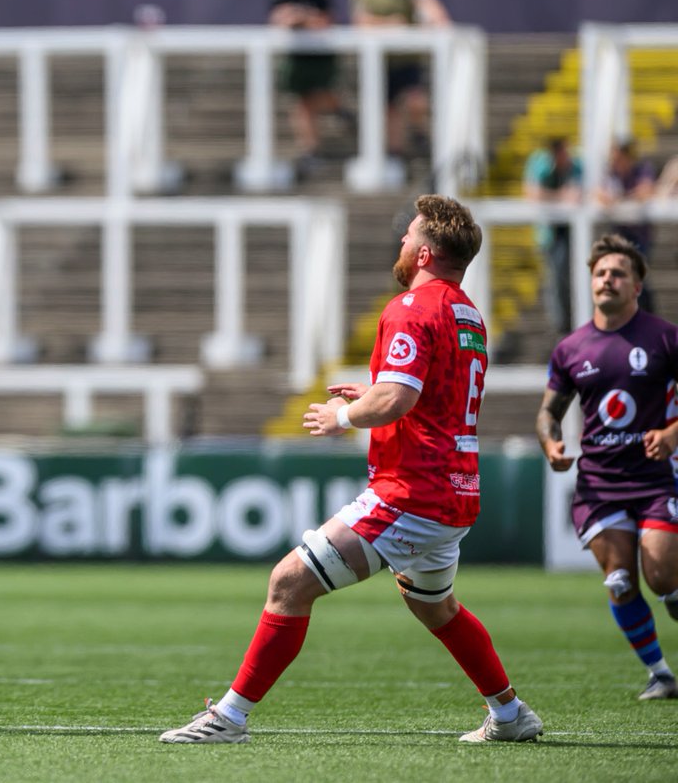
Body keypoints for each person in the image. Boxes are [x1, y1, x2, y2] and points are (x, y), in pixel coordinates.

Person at [161, 194, 543, 745]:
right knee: (435, 607)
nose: (402, 241)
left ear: (426, 252)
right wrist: (378, 395)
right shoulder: (467, 314)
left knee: (289, 582)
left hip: (412, 491)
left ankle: (229, 718)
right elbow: (430, 395)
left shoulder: (412, 308)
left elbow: (397, 401)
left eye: (409, 235)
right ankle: (510, 715)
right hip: (455, 491)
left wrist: (345, 414)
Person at [535, 233, 678, 701]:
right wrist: (551, 443)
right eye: (600, 273)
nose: (608, 280)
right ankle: (660, 673)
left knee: (663, 579)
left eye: (618, 273)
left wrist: (673, 434)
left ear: (637, 285)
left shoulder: (664, 338)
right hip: (599, 483)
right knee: (619, 580)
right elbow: (548, 412)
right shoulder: (571, 349)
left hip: (655, 478)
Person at [350, 0, 450, 160]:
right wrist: (392, 23)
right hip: (380, 62)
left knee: (416, 100)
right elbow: (361, 22)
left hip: (406, 59)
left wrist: (437, 22)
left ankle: (419, 133)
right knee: (389, 109)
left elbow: (431, 8)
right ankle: (395, 153)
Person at [263, 0, 340, 180]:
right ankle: (310, 148)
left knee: (325, 96)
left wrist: (300, 18)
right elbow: (279, 20)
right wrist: (303, 18)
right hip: (295, 57)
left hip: (320, 55)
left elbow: (325, 21)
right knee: (302, 103)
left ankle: (340, 113)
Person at [523, 136, 584, 334]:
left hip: (574, 233)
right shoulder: (541, 165)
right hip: (551, 232)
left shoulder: (578, 164)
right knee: (556, 278)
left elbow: (583, 192)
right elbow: (531, 194)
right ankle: (563, 325)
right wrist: (561, 196)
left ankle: (573, 321)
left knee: (569, 276)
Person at [595, 139, 656, 311]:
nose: (613, 161)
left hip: (639, 236)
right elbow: (600, 195)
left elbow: (646, 191)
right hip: (620, 236)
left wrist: (620, 199)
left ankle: (645, 318)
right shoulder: (612, 173)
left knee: (637, 277)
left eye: (617, 157)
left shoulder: (642, 169)